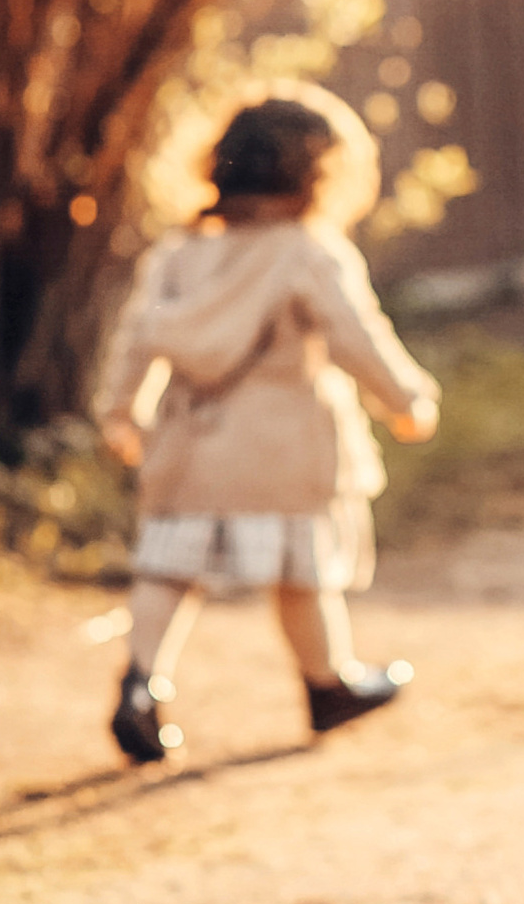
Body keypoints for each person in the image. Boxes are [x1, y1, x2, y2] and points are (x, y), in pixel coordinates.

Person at [91, 86, 441, 765]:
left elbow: (136, 336)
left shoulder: (180, 253)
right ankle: (328, 681)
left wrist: (119, 410)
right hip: (284, 451)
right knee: (301, 575)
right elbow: (354, 337)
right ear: (318, 175)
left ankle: (140, 684)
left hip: (190, 442)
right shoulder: (308, 251)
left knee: (168, 569)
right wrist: (406, 400)